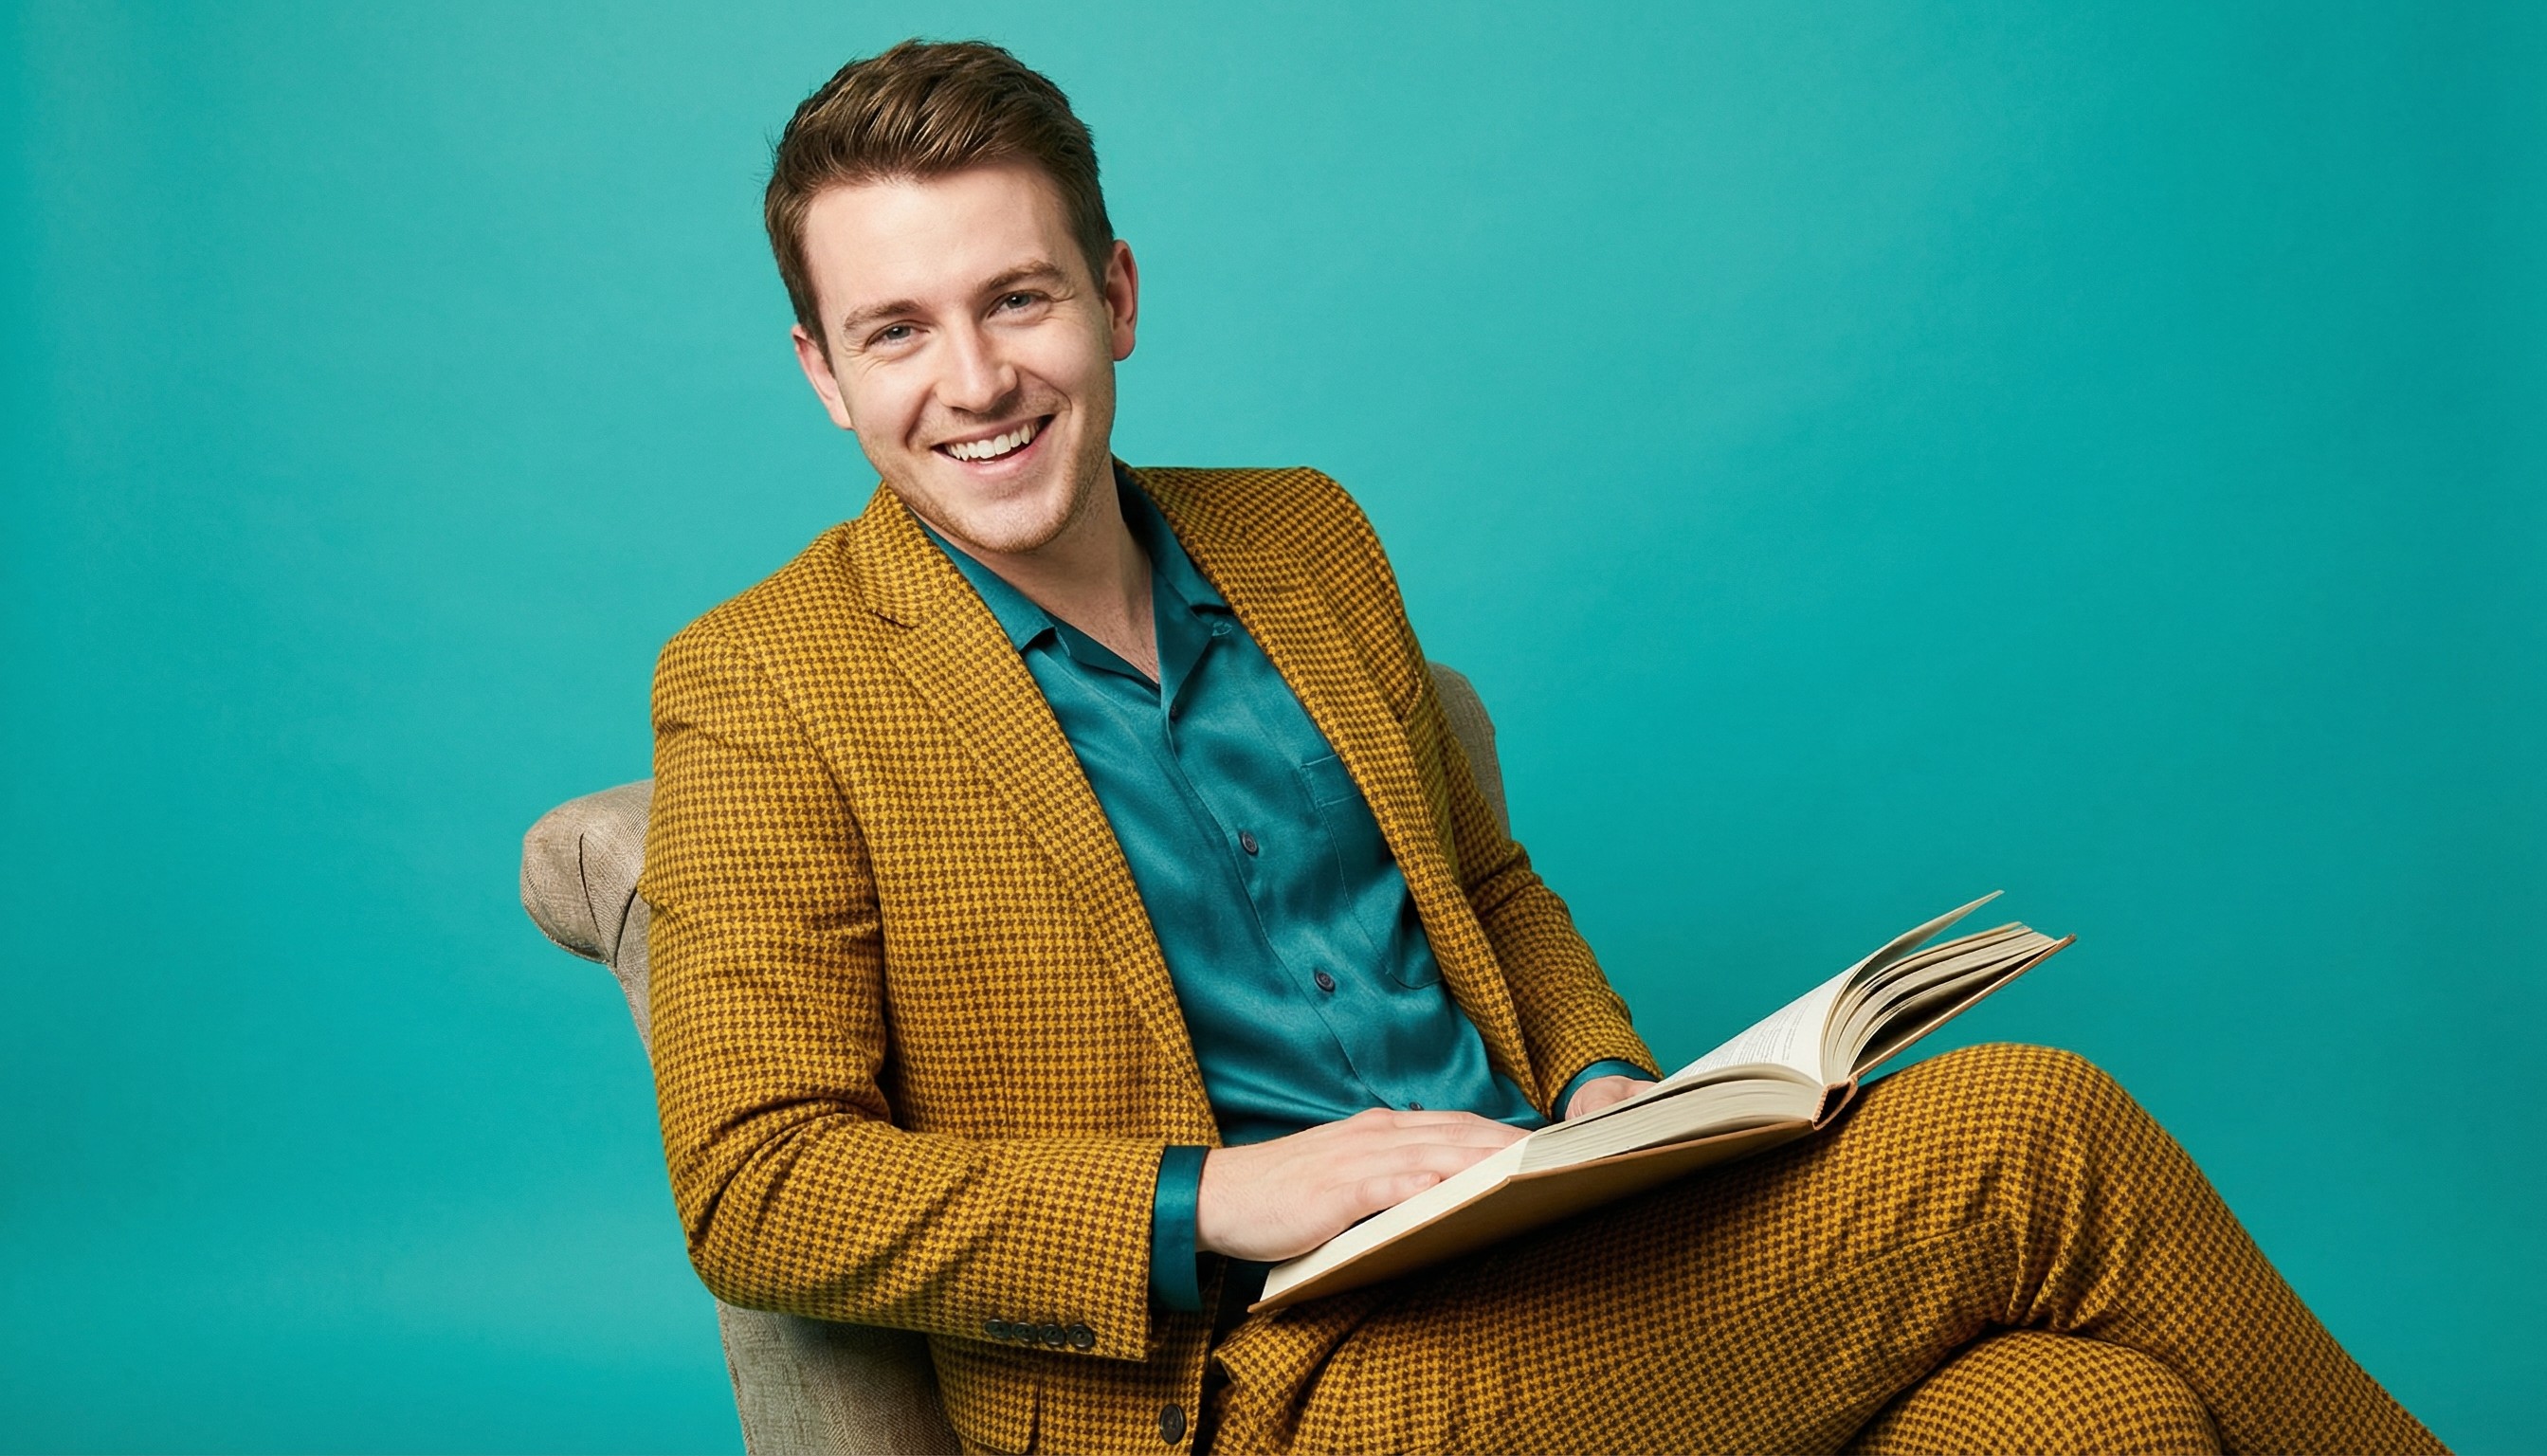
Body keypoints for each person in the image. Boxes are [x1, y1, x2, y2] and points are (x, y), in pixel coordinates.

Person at [642, 38, 2445, 1455]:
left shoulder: (1304, 537)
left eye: (1018, 299)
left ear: (1115, 294)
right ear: (823, 371)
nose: (974, 381)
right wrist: (1230, 1196)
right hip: (1259, 1386)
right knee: (2029, 1130)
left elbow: (1487, 886)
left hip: (1552, 1252)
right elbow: (757, 1183)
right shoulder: (764, 683)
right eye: (898, 331)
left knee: (2090, 1421)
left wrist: (1598, 1086)